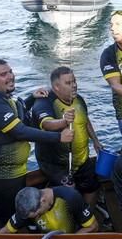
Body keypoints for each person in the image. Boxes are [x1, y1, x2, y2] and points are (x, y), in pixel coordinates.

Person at [0, 59, 73, 224]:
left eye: (10, 71)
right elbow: (20, 131)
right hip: (0, 176)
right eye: (4, 74)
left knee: (19, 212)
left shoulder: (2, 97)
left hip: (13, 172)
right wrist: (58, 137)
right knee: (10, 215)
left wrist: (31, 99)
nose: (10, 76)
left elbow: (13, 112)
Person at [31, 66, 103, 210]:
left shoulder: (79, 100)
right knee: (70, 193)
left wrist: (95, 141)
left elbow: (85, 120)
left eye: (74, 81)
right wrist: (63, 121)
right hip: (56, 164)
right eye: (68, 83)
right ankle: (72, 218)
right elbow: (46, 124)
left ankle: (87, 213)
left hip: (82, 158)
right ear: (56, 87)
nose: (74, 85)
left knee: (92, 186)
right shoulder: (44, 102)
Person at [0, 186, 98, 234]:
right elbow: (5, 231)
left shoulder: (70, 197)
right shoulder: (26, 208)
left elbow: (93, 226)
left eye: (37, 214)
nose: (37, 217)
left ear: (43, 201)